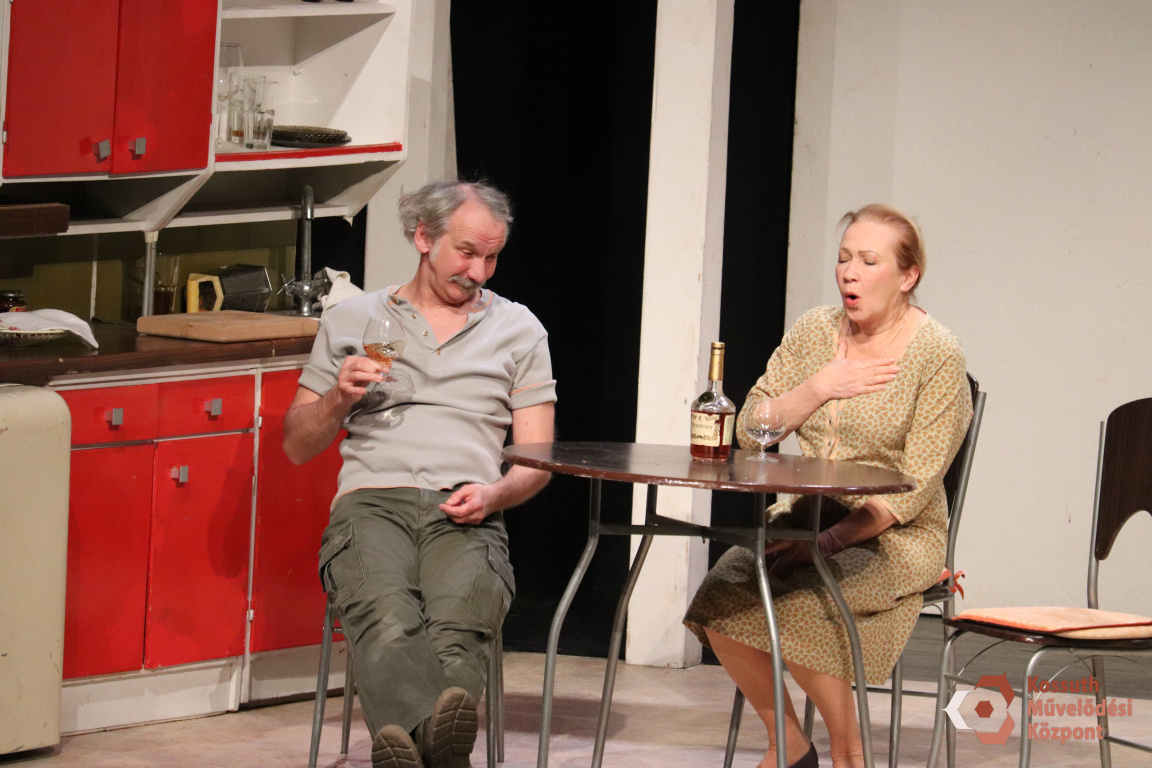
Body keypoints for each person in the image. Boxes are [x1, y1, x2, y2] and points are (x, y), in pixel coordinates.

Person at [684, 204, 972, 768]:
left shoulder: (938, 353)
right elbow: (750, 429)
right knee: (720, 596)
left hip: (893, 535)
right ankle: (789, 746)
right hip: (804, 516)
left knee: (805, 603)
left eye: (868, 261)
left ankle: (850, 753)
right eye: (843, 259)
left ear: (907, 276)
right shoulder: (815, 331)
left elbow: (914, 488)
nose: (849, 273)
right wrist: (818, 387)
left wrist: (827, 543)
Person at [283, 178, 556, 768]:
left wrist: (495, 494)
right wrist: (338, 398)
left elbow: (537, 460)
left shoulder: (519, 329)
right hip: (371, 502)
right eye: (467, 252)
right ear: (424, 237)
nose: (478, 272)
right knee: (386, 616)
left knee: (461, 622)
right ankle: (438, 744)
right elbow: (297, 445)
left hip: (466, 506)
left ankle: (417, 742)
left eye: (492, 257)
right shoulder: (353, 318)